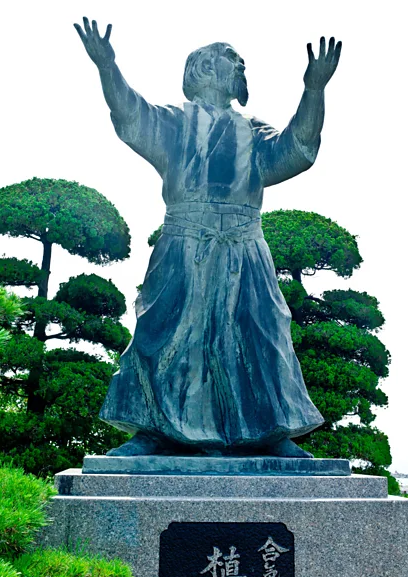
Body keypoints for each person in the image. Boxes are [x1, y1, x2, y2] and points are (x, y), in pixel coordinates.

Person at [74, 17, 342, 457]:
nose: (240, 66)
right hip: (184, 242)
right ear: (202, 70)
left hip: (244, 245)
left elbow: (296, 149)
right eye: (230, 59)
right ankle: (154, 432)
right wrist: (107, 66)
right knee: (163, 334)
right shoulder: (174, 123)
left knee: (264, 335)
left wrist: (314, 90)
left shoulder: (253, 132)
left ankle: (272, 433)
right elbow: (130, 115)